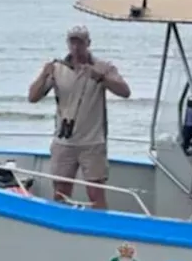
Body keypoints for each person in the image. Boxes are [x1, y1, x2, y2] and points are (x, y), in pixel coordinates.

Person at [27, 25, 131, 210]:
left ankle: (100, 229)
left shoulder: (103, 67)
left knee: (95, 193)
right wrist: (44, 74)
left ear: (88, 43)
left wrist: (101, 78)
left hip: (92, 141)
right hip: (64, 141)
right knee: (60, 191)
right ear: (68, 43)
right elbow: (33, 97)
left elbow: (125, 92)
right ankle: (62, 227)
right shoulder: (57, 68)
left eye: (80, 42)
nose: (76, 47)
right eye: (72, 42)